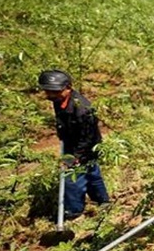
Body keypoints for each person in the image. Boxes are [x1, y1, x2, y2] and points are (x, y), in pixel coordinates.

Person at [38, 69, 110, 220]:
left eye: (55, 92)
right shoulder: (60, 100)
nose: (50, 95)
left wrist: (75, 157)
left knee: (72, 178)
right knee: (91, 172)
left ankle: (73, 212)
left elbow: (88, 137)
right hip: (73, 141)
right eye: (48, 91)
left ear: (68, 88)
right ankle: (103, 201)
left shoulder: (82, 109)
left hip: (85, 146)